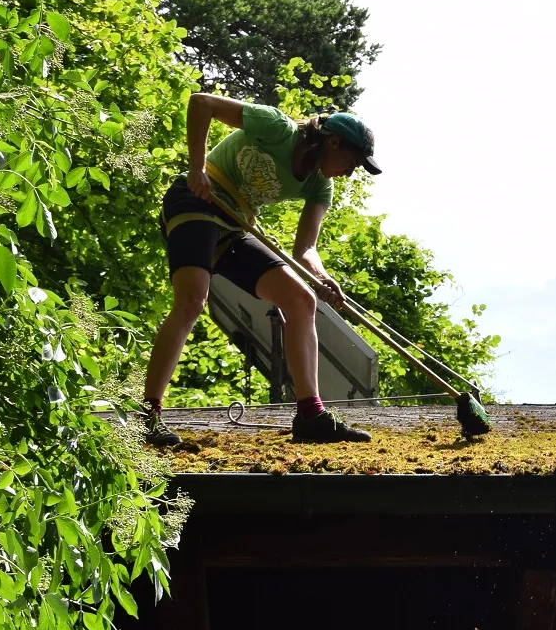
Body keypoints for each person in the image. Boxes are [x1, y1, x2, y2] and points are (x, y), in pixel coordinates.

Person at [142, 92, 381, 446]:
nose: (350, 172)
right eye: (353, 161)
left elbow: (306, 249)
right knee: (192, 300)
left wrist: (322, 277)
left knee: (302, 299)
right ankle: (148, 416)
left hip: (236, 224)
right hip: (197, 199)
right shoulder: (277, 127)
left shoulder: (320, 184)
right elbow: (200, 103)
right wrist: (196, 168)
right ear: (333, 142)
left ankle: (311, 416)